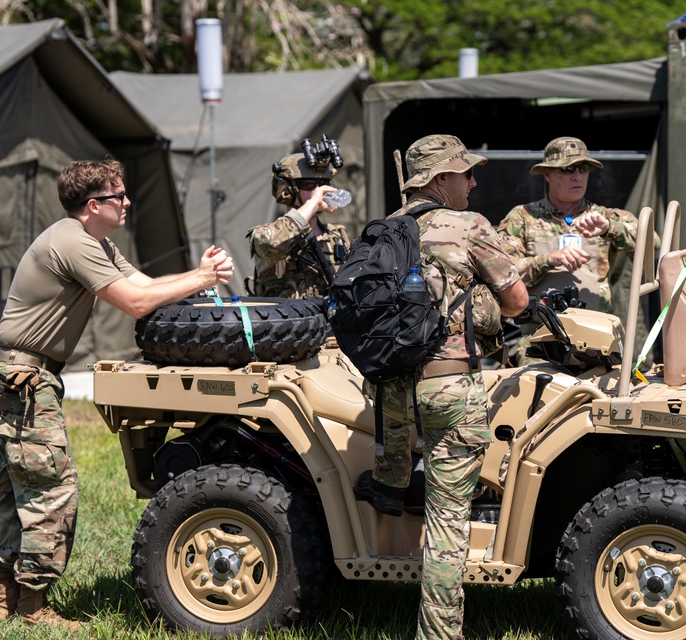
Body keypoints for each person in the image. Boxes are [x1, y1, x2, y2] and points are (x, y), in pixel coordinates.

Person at [0, 158, 234, 628]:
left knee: (14, 486)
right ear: (93, 205)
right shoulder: (73, 240)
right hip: (23, 376)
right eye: (119, 195)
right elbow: (135, 304)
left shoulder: (94, 241)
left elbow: (146, 286)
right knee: (52, 486)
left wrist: (196, 273)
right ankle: (32, 607)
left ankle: (4, 598)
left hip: (16, 372)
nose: (127, 202)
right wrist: (204, 280)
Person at [355, 135, 528, 640]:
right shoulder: (468, 226)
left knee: (408, 475)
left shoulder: (385, 231)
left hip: (389, 390)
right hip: (448, 386)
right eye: (465, 173)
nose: (473, 182)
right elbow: (516, 301)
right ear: (438, 181)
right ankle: (438, 634)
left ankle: (389, 485)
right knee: (448, 523)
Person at [497, 136, 643, 314]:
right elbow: (502, 274)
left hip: (596, 332)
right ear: (547, 174)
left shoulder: (604, 216)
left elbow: (653, 245)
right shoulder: (523, 217)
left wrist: (609, 228)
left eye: (584, 168)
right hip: (539, 333)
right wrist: (548, 260)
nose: (578, 176)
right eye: (568, 169)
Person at [245, 152, 351, 302]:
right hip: (286, 322)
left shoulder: (337, 236)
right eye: (308, 185)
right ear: (287, 190)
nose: (318, 192)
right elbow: (271, 243)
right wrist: (312, 204)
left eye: (323, 184)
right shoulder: (266, 234)